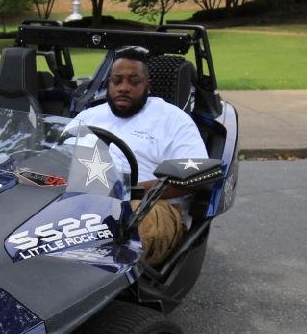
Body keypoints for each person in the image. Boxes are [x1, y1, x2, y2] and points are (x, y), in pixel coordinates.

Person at [73, 46, 209, 267]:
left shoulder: (173, 119)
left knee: (121, 229)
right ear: (109, 84)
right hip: (83, 200)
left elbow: (197, 175)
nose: (124, 88)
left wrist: (125, 189)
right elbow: (56, 157)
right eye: (117, 81)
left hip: (151, 204)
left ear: (148, 86)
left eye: (133, 81)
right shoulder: (88, 116)